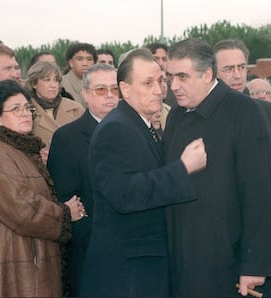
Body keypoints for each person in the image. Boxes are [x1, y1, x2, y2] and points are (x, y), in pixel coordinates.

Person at [79, 48, 207, 297]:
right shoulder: (116, 128)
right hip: (128, 273)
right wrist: (183, 169)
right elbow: (125, 194)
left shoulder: (140, 125)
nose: (160, 90)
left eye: (160, 81)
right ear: (125, 90)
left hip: (140, 265)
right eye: (148, 83)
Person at [164, 38, 271, 297]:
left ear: (207, 74)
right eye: (170, 77)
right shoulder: (175, 115)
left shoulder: (244, 111)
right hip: (184, 259)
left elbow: (262, 193)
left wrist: (254, 263)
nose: (174, 86)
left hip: (227, 264)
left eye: (182, 77)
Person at [0, 79, 87, 297]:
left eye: (27, 108)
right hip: (14, 265)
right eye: (15, 109)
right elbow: (23, 208)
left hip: (29, 258)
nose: (25, 113)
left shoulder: (21, 150)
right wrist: (66, 213)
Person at [47, 63, 120, 296]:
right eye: (101, 90)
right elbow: (66, 197)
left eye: (114, 89)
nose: (109, 96)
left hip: (133, 245)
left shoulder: (136, 130)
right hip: (90, 249)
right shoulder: (67, 138)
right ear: (86, 95)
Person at [25, 61, 84, 157]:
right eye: (47, 80)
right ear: (33, 84)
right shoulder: (25, 110)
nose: (53, 85)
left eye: (56, 80)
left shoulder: (76, 108)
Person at [61, 42, 97, 107]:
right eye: (79, 59)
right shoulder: (61, 85)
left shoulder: (100, 83)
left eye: (89, 59)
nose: (85, 63)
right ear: (71, 62)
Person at [146, 42, 177, 107]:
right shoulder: (140, 86)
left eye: (164, 59)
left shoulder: (176, 88)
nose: (160, 63)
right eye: (156, 58)